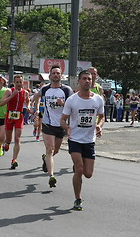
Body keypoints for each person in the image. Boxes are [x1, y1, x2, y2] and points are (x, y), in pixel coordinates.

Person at [60, 70, 105, 211]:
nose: (87, 81)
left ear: (92, 81)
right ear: (79, 81)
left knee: (88, 174)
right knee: (79, 169)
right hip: (75, 139)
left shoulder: (98, 99)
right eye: (84, 79)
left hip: (89, 140)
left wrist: (99, 125)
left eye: (89, 79)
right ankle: (77, 199)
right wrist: (66, 127)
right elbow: (62, 119)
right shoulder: (72, 100)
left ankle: (78, 169)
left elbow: (102, 116)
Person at [33, 65, 73, 188]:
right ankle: (51, 176)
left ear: (61, 76)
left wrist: (64, 103)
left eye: (58, 73)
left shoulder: (67, 90)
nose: (56, 75)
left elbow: (74, 105)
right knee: (50, 149)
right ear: (50, 76)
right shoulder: (45, 89)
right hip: (47, 123)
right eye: (54, 73)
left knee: (55, 150)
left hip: (61, 124)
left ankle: (45, 159)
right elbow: (36, 97)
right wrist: (36, 109)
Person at [0, 75, 30, 169]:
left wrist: (28, 106)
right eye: (17, 82)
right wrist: (11, 96)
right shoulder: (9, 91)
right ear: (14, 83)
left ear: (23, 82)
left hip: (19, 116)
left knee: (17, 138)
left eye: (20, 82)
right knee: (9, 138)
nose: (19, 84)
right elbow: (1, 103)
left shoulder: (25, 92)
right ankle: (7, 143)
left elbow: (28, 101)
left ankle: (14, 160)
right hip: (9, 116)